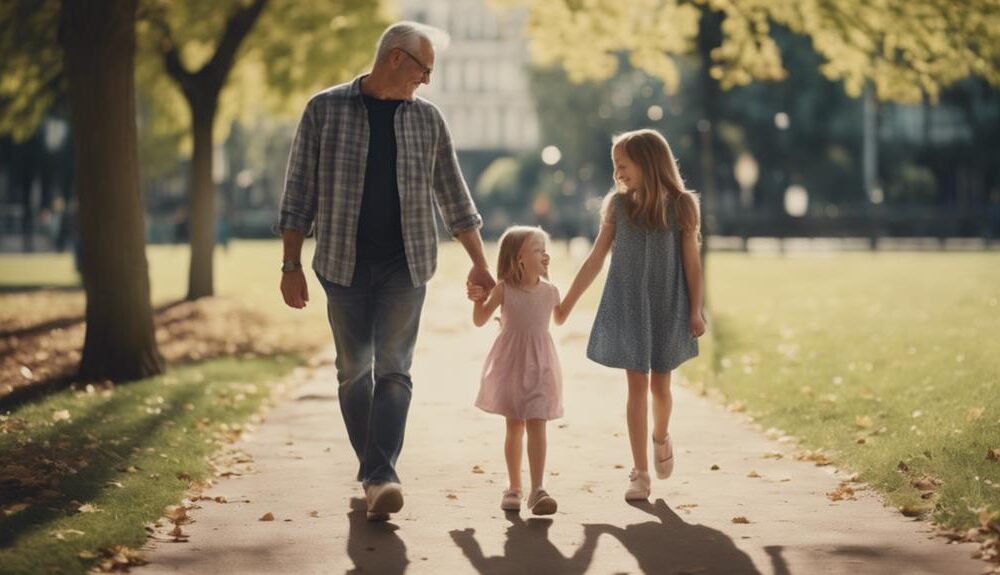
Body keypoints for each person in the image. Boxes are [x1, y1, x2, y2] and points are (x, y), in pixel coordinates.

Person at [277, 21, 495, 521]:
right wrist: (291, 265)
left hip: (407, 266)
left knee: (394, 370)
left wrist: (481, 264)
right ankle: (377, 472)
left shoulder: (428, 120)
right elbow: (298, 196)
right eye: (425, 70)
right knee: (354, 373)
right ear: (396, 58)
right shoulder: (324, 110)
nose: (426, 82)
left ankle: (379, 477)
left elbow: (454, 197)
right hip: (342, 264)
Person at [558, 128, 706, 501]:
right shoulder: (618, 207)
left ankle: (661, 436)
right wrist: (566, 304)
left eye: (623, 165)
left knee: (661, 387)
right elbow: (595, 260)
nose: (618, 173)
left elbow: (692, 264)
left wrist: (696, 311)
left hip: (666, 305)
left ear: (648, 163)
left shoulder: (682, 205)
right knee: (637, 385)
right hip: (628, 304)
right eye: (615, 167)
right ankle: (640, 472)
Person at [468, 226, 565, 515]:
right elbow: (480, 320)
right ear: (519, 258)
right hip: (510, 367)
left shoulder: (551, 292)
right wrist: (477, 300)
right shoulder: (504, 290)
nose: (545, 255)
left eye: (545, 249)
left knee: (538, 423)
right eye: (538, 249)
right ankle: (514, 487)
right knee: (514, 426)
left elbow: (560, 317)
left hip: (542, 368)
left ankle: (537, 490)